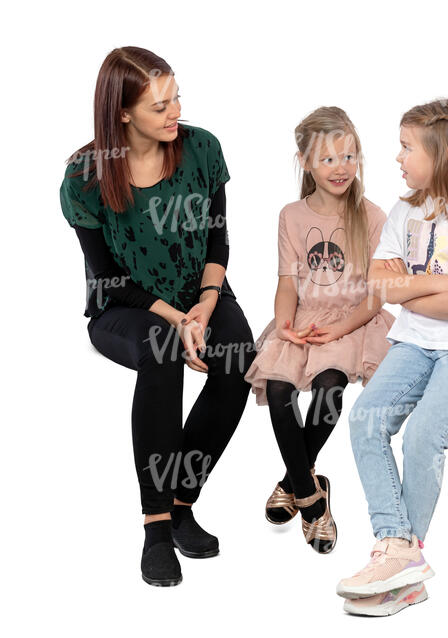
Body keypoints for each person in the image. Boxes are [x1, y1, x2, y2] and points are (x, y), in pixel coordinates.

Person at [59, 46, 256, 587]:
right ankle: (156, 525)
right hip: (125, 308)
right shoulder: (86, 175)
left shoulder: (202, 150)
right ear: (123, 113)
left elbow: (218, 236)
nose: (175, 114)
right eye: (159, 106)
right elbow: (106, 276)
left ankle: (182, 499)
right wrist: (178, 319)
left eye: (176, 99)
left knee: (239, 360)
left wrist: (208, 303)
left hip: (203, 293)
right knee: (164, 352)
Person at [336, 99, 448, 616]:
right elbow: (378, 283)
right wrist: (435, 282)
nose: (397, 157)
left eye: (408, 147)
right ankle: (399, 550)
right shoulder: (405, 211)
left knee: (422, 433)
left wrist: (408, 289)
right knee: (366, 418)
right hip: (415, 341)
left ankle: (399, 558)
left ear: (445, 153)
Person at [244, 106, 396, 553]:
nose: (341, 168)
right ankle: (313, 496)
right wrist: (286, 326)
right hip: (305, 317)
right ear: (306, 162)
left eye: (349, 157)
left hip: (353, 320)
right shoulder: (290, 215)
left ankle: (297, 485)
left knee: (330, 387)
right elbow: (287, 281)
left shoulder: (371, 216)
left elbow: (375, 294)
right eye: (328, 159)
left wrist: (339, 330)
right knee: (277, 389)